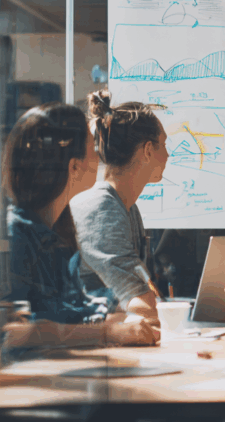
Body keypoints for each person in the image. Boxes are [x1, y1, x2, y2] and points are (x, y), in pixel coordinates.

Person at [0, 103, 158, 376]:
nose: (99, 158)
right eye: (92, 150)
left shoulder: (57, 233)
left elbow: (69, 311)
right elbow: (5, 332)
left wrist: (110, 317)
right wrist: (106, 331)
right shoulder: (10, 238)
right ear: (74, 167)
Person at [70, 90, 168, 323]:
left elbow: (142, 290)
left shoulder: (126, 206)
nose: (168, 154)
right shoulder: (102, 208)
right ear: (147, 151)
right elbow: (142, 306)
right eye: (162, 145)